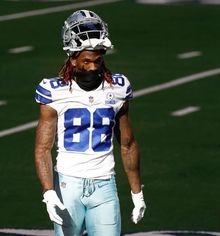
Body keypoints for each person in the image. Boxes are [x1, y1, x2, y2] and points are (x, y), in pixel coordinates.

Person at [34, 9, 146, 236]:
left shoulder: (117, 88)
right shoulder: (54, 91)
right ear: (73, 59)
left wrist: (137, 192)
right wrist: (48, 192)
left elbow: (128, 144)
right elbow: (42, 148)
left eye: (98, 60)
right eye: (87, 61)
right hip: (68, 184)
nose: (94, 67)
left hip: (105, 184)